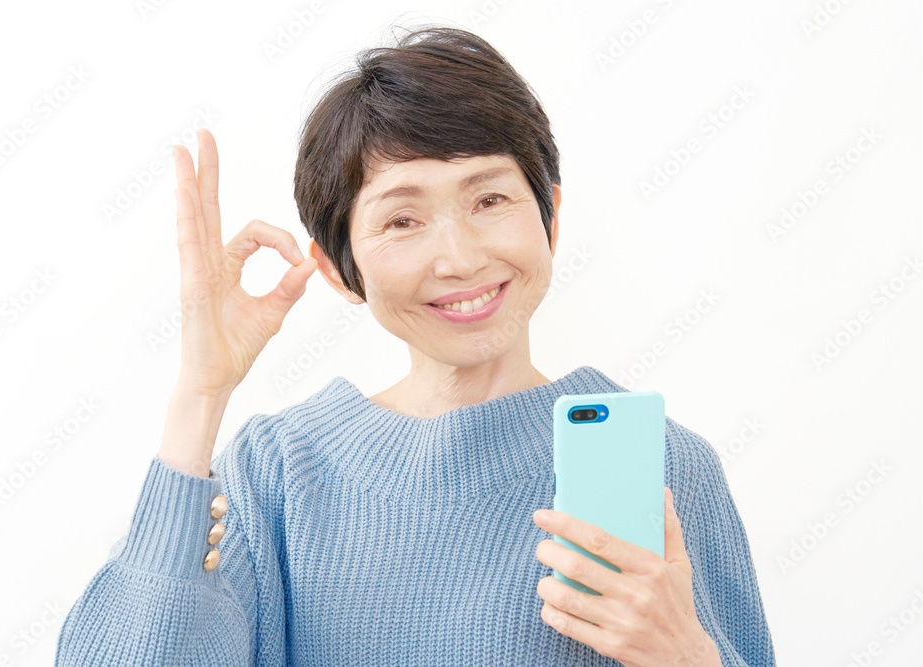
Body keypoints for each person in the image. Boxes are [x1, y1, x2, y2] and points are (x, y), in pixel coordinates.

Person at [55, 25, 776, 667]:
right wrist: (199, 394)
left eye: (489, 199)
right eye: (402, 219)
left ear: (550, 218)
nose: (459, 258)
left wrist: (687, 659)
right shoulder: (279, 473)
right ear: (339, 269)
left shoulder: (663, 467)